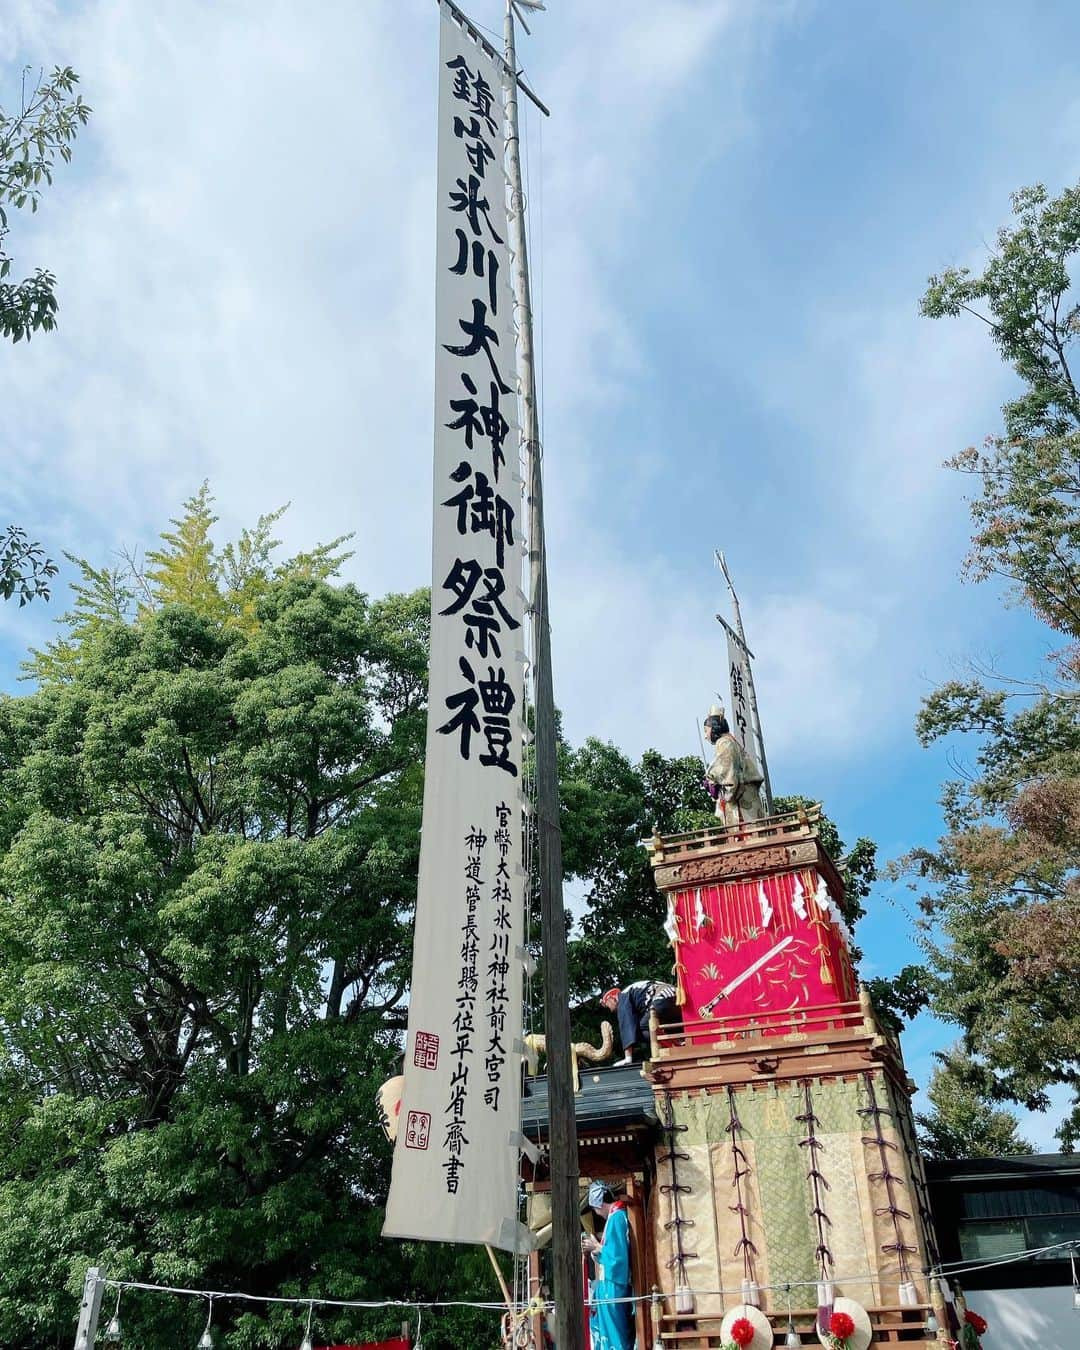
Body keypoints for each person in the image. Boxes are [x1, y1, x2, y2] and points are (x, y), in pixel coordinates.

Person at [581, 1182, 634, 1350]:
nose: (596, 1213)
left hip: (613, 1285)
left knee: (615, 1334)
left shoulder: (617, 1217)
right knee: (610, 1333)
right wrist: (597, 1248)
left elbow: (618, 1258)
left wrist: (596, 1247)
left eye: (595, 1208)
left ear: (598, 1203)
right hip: (609, 1284)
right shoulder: (615, 1217)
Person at [703, 703, 764, 825]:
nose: (705, 736)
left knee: (745, 835)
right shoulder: (731, 741)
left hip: (742, 801)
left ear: (714, 727)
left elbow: (728, 775)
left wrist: (712, 781)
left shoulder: (725, 742)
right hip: (747, 797)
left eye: (706, 730)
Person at [600, 980, 679, 1063]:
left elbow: (627, 1025)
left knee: (645, 1026)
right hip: (675, 994)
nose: (610, 1009)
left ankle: (673, 1048)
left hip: (663, 995)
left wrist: (628, 1057)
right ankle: (680, 1043)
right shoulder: (631, 991)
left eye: (607, 1005)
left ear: (611, 998)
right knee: (656, 1026)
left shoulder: (622, 997)